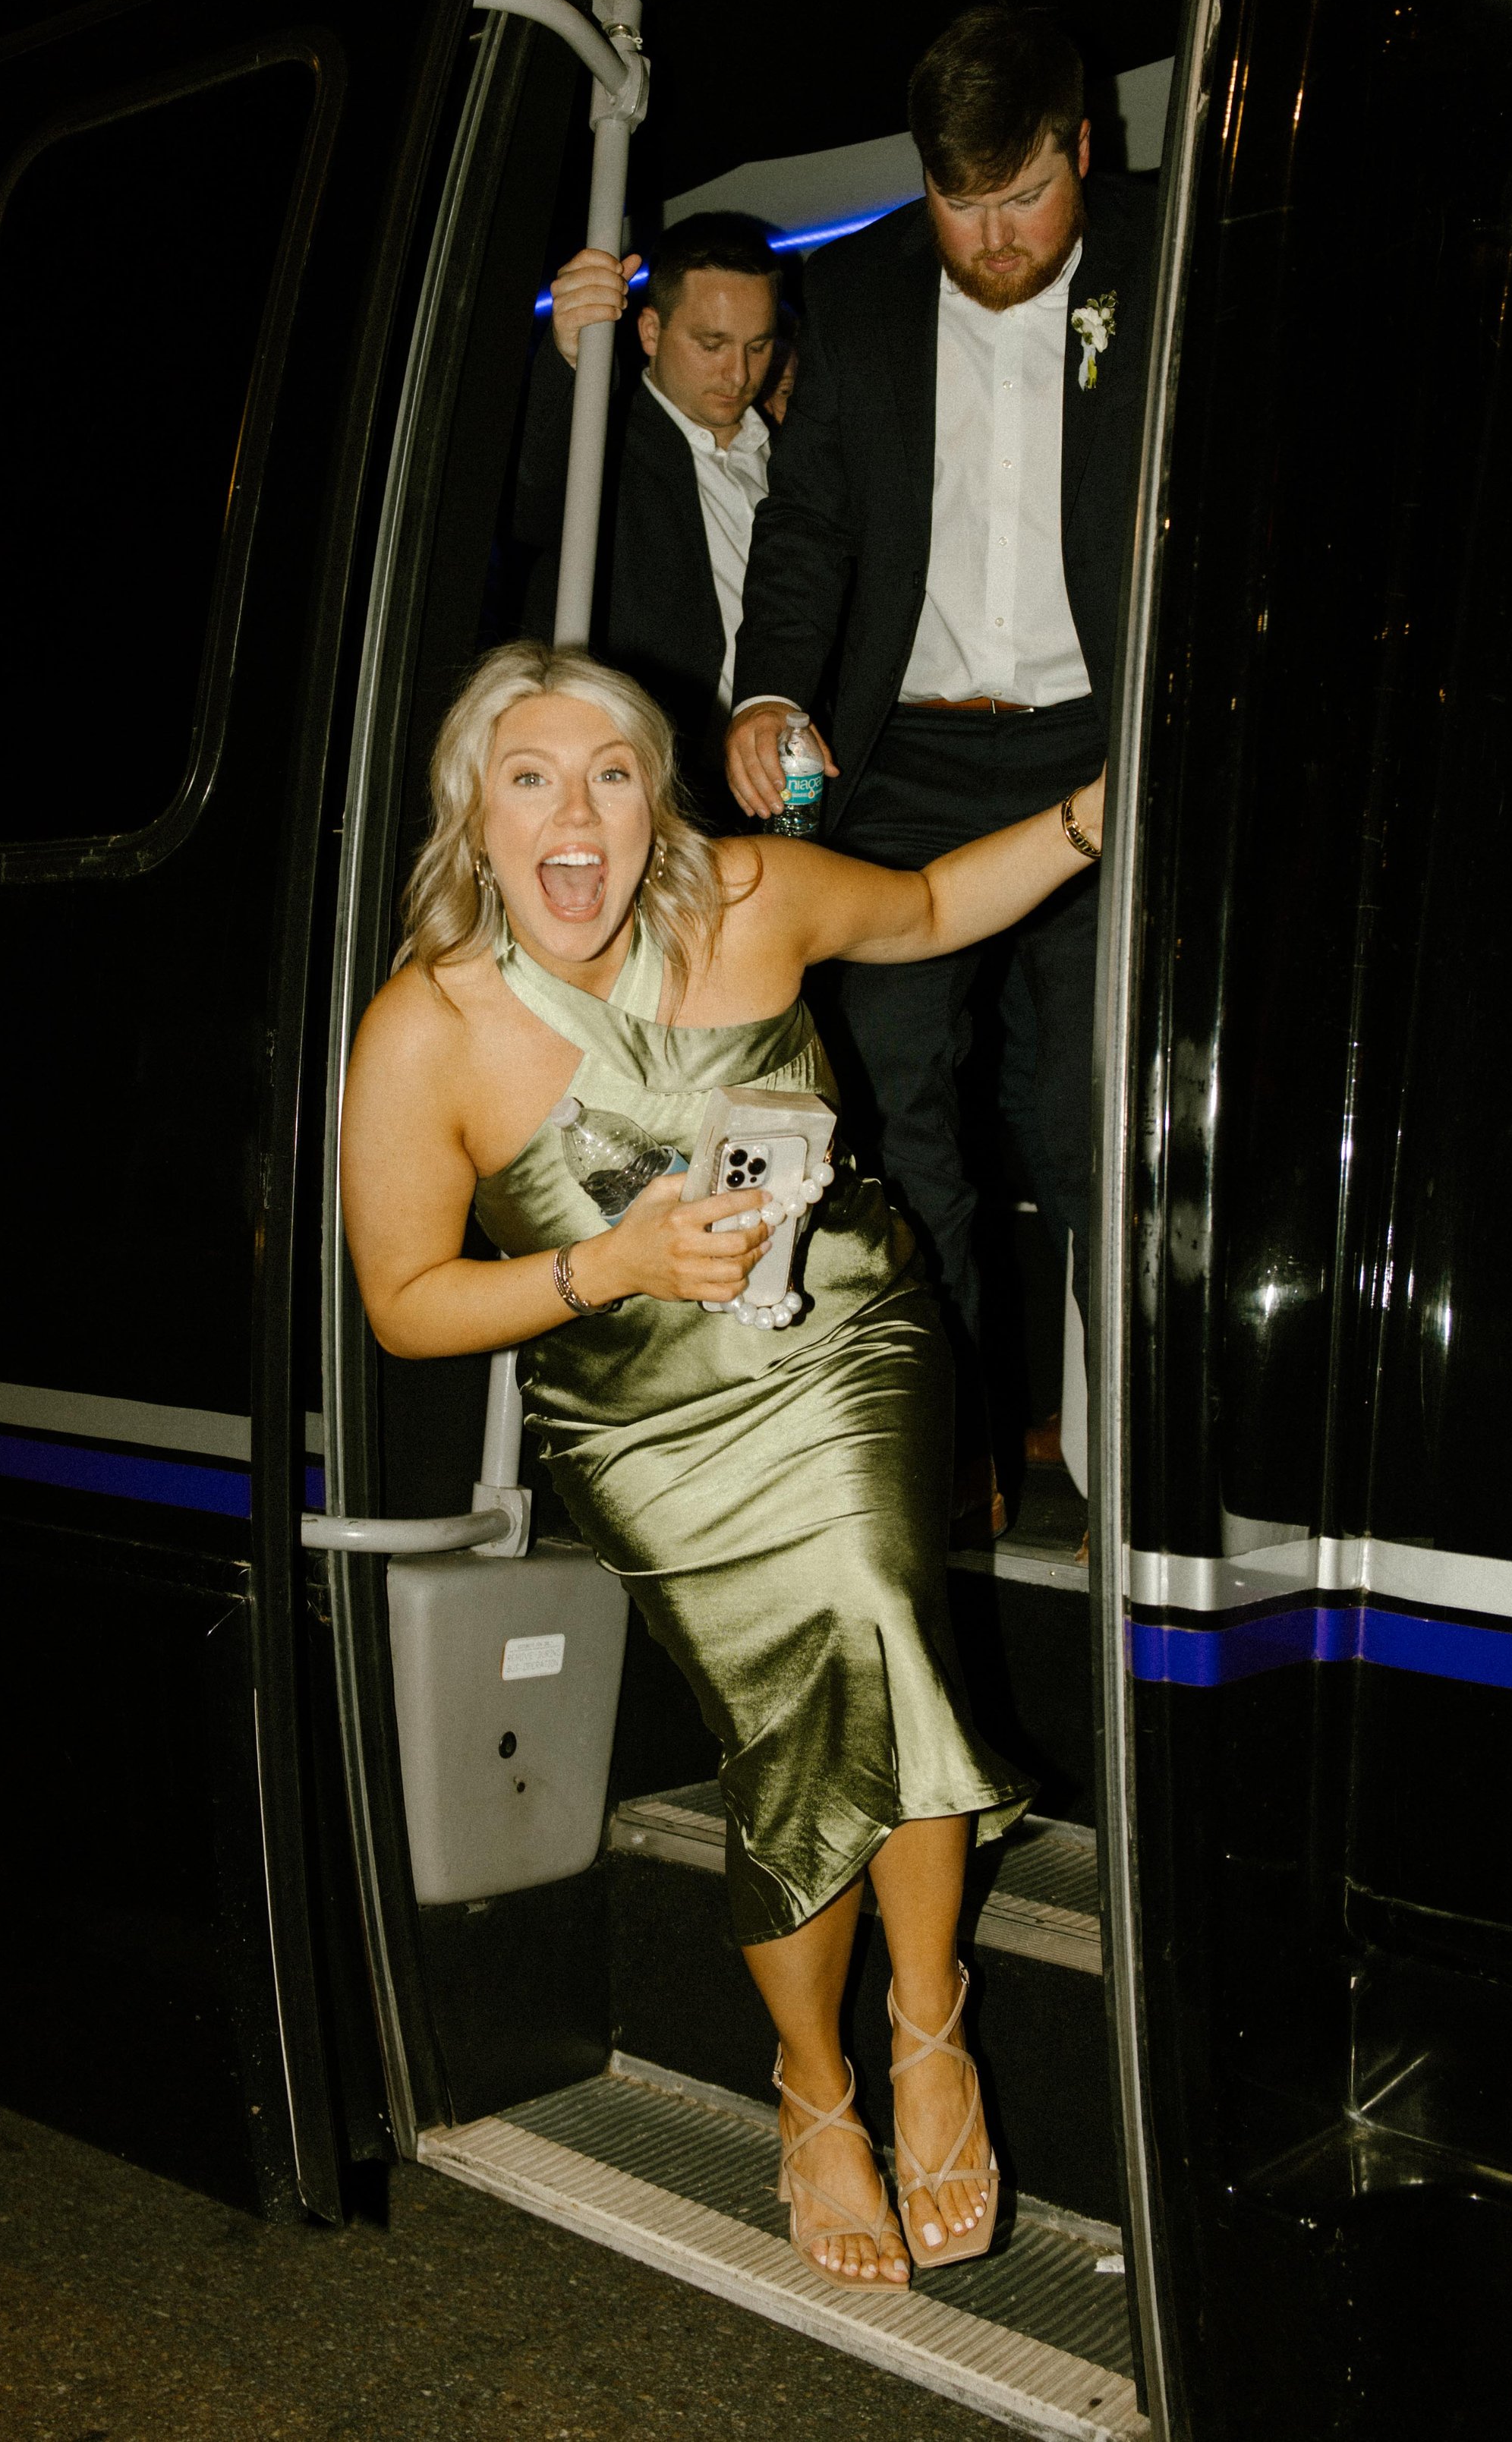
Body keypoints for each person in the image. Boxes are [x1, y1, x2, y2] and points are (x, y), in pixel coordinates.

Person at [342, 639, 1105, 2291]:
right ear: (474, 816)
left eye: (610, 775)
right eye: (528, 776)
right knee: (792, 1727)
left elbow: (918, 912)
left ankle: (919, 2034)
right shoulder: (426, 1028)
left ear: (656, 803)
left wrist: (1085, 821)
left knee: (876, 1613)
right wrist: (602, 1270)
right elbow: (403, 1305)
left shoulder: (746, 897)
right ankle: (809, 2086)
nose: (575, 813)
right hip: (640, 1424)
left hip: (846, 1344)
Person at [726, 5, 1154, 1487]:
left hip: (1102, 751)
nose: (990, 241)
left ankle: (1124, 1480)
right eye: (958, 206)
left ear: (1078, 148)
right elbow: (809, 531)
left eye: (1022, 197)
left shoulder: (1170, 262)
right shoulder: (853, 300)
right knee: (897, 1126)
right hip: (900, 769)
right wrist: (766, 694)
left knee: (1093, 1118)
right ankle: (953, 1466)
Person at [516, 213, 782, 811]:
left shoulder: (796, 459)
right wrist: (569, 355)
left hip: (788, 792)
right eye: (711, 344)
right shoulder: (606, 440)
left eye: (758, 346)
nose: (738, 374)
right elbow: (531, 507)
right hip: (655, 795)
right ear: (652, 332)